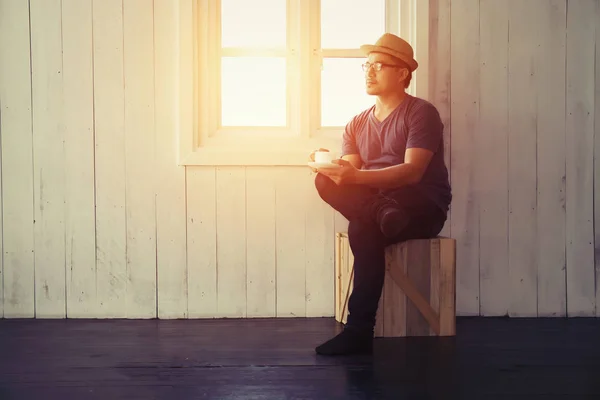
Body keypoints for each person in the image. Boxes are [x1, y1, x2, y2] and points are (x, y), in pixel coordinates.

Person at [310, 33, 452, 356]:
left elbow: (412, 172)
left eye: (378, 65)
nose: (369, 72)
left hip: (420, 205)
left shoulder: (421, 113)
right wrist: (328, 168)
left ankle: (358, 333)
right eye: (367, 65)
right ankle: (378, 212)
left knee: (363, 225)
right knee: (324, 184)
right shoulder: (355, 124)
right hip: (385, 213)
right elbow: (348, 176)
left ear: (402, 73)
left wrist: (355, 176)